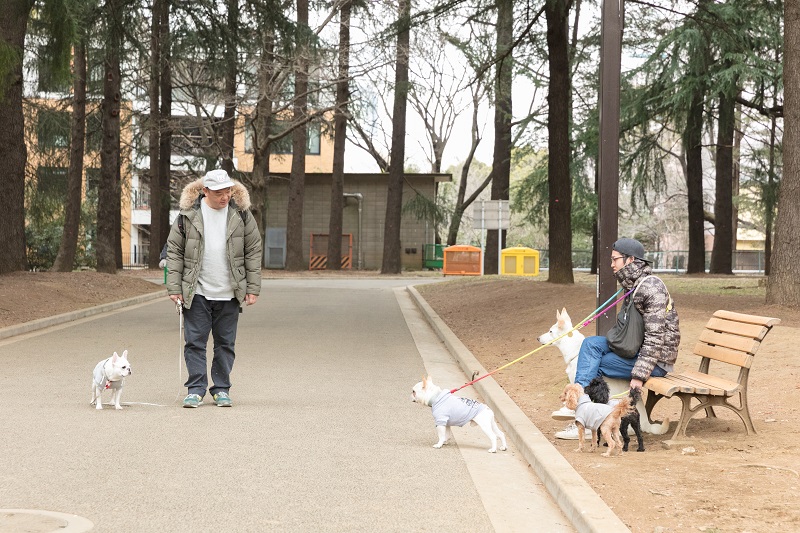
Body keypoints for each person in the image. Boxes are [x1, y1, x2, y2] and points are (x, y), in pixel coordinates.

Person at [554, 237, 680, 439]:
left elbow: (656, 338)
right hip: (635, 350)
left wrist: (639, 376)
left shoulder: (651, 288)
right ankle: (578, 398)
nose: (611, 264)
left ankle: (589, 418)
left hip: (656, 362)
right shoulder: (632, 285)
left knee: (598, 363)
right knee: (590, 344)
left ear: (630, 260)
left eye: (615, 259)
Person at [166, 169, 262, 408]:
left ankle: (221, 389)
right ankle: (196, 389)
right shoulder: (188, 215)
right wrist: (174, 287)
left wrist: (253, 287)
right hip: (196, 290)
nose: (225, 196)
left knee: (225, 344)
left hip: (230, 292)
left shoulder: (241, 214)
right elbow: (175, 252)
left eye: (228, 191)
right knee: (195, 342)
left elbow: (253, 250)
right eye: (219, 192)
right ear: (205, 191)